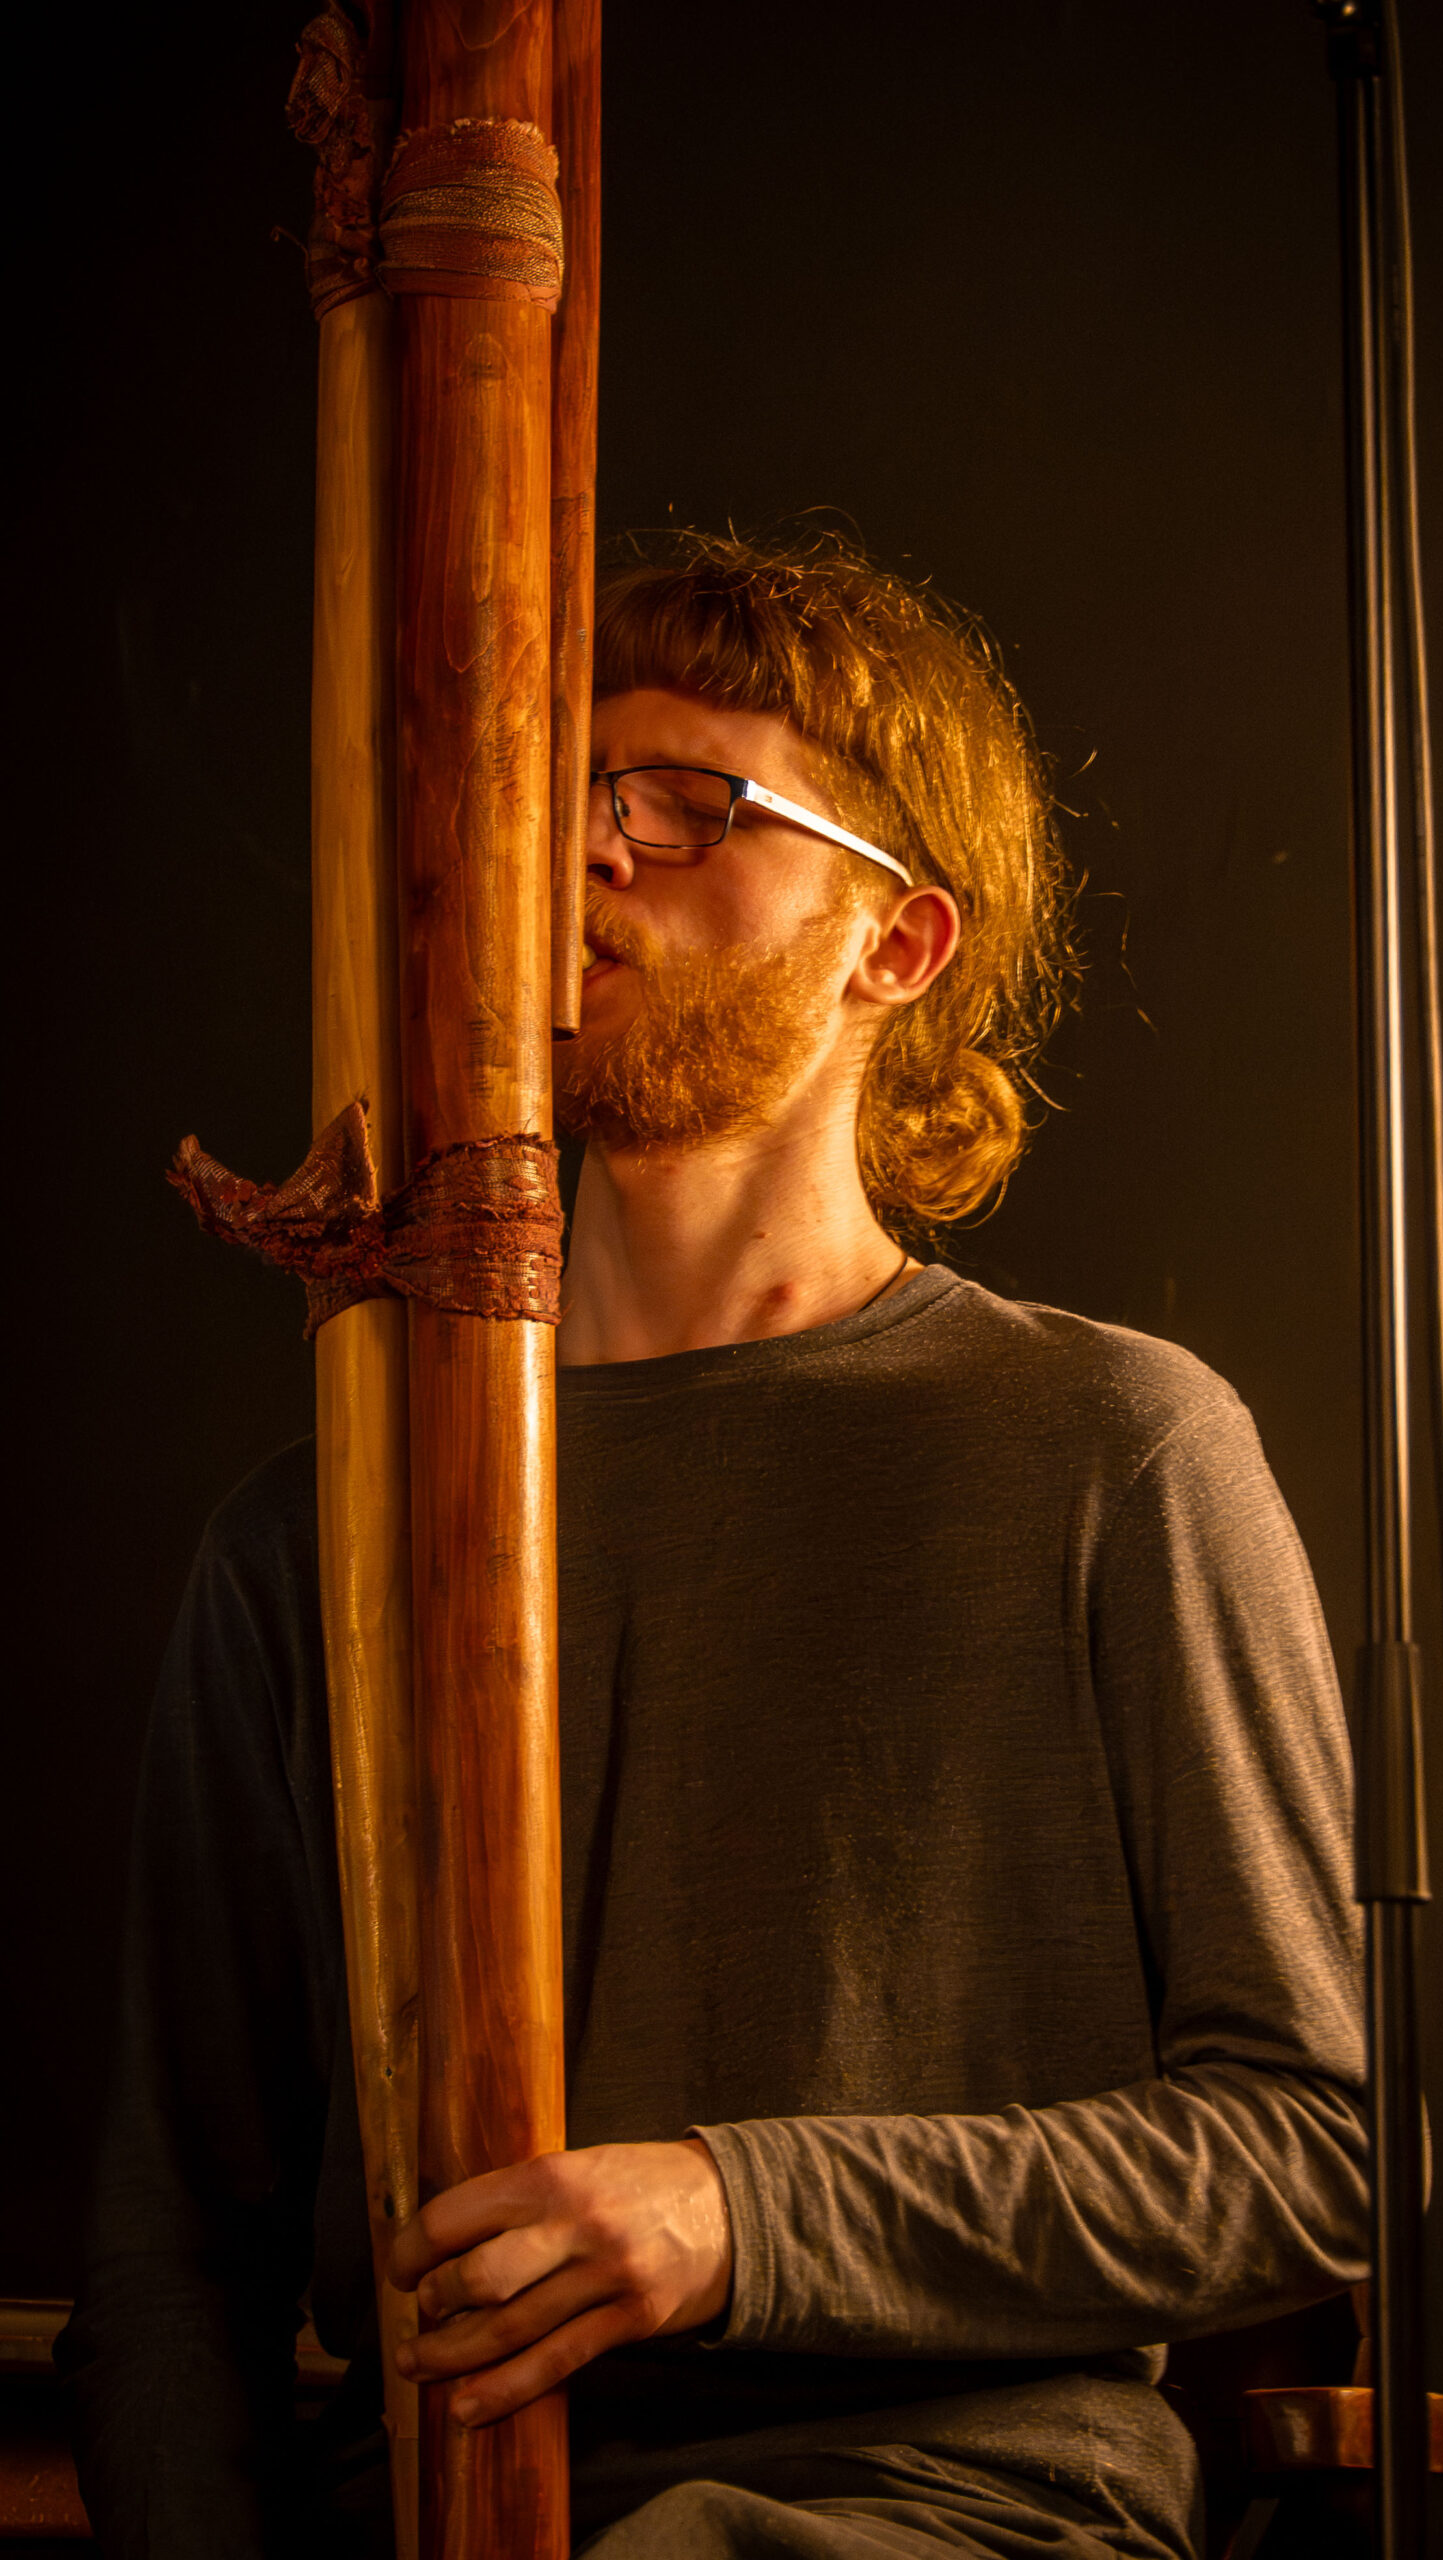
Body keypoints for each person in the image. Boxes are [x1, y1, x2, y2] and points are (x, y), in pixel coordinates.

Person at [64, 533, 1366, 2560]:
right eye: (564, 799)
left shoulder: (1115, 1450)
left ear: (894, 943)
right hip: (412, 2510)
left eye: (687, 805)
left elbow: (1304, 2148)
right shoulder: (307, 1534)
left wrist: (738, 2215)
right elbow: (172, 2250)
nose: (587, 851)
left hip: (948, 2508)